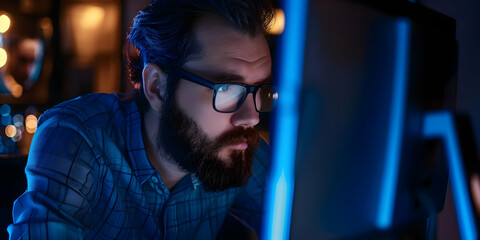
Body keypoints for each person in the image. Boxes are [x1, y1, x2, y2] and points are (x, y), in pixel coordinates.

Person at [8, 0, 275, 239]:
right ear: (157, 87)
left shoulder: (234, 146)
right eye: (227, 89)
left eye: (259, 90)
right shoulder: (77, 137)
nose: (251, 117)